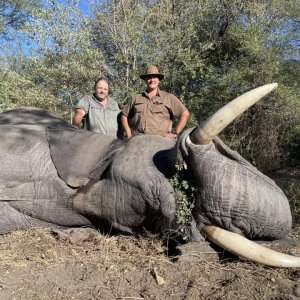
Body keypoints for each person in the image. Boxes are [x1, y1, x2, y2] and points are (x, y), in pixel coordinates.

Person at [121, 65, 190, 139]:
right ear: (145, 80)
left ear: (159, 80)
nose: (152, 80)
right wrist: (129, 134)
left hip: (161, 142)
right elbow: (124, 115)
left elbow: (185, 113)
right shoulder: (135, 98)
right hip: (138, 141)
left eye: (154, 77)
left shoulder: (168, 97)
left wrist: (176, 132)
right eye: (149, 77)